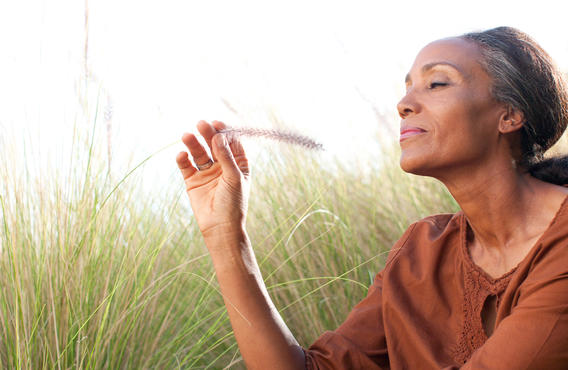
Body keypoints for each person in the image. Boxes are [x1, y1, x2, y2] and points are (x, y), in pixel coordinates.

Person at [175, 26, 568, 369]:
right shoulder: (421, 255)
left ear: (509, 115)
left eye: (437, 83)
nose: (404, 104)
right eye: (407, 87)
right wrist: (227, 237)